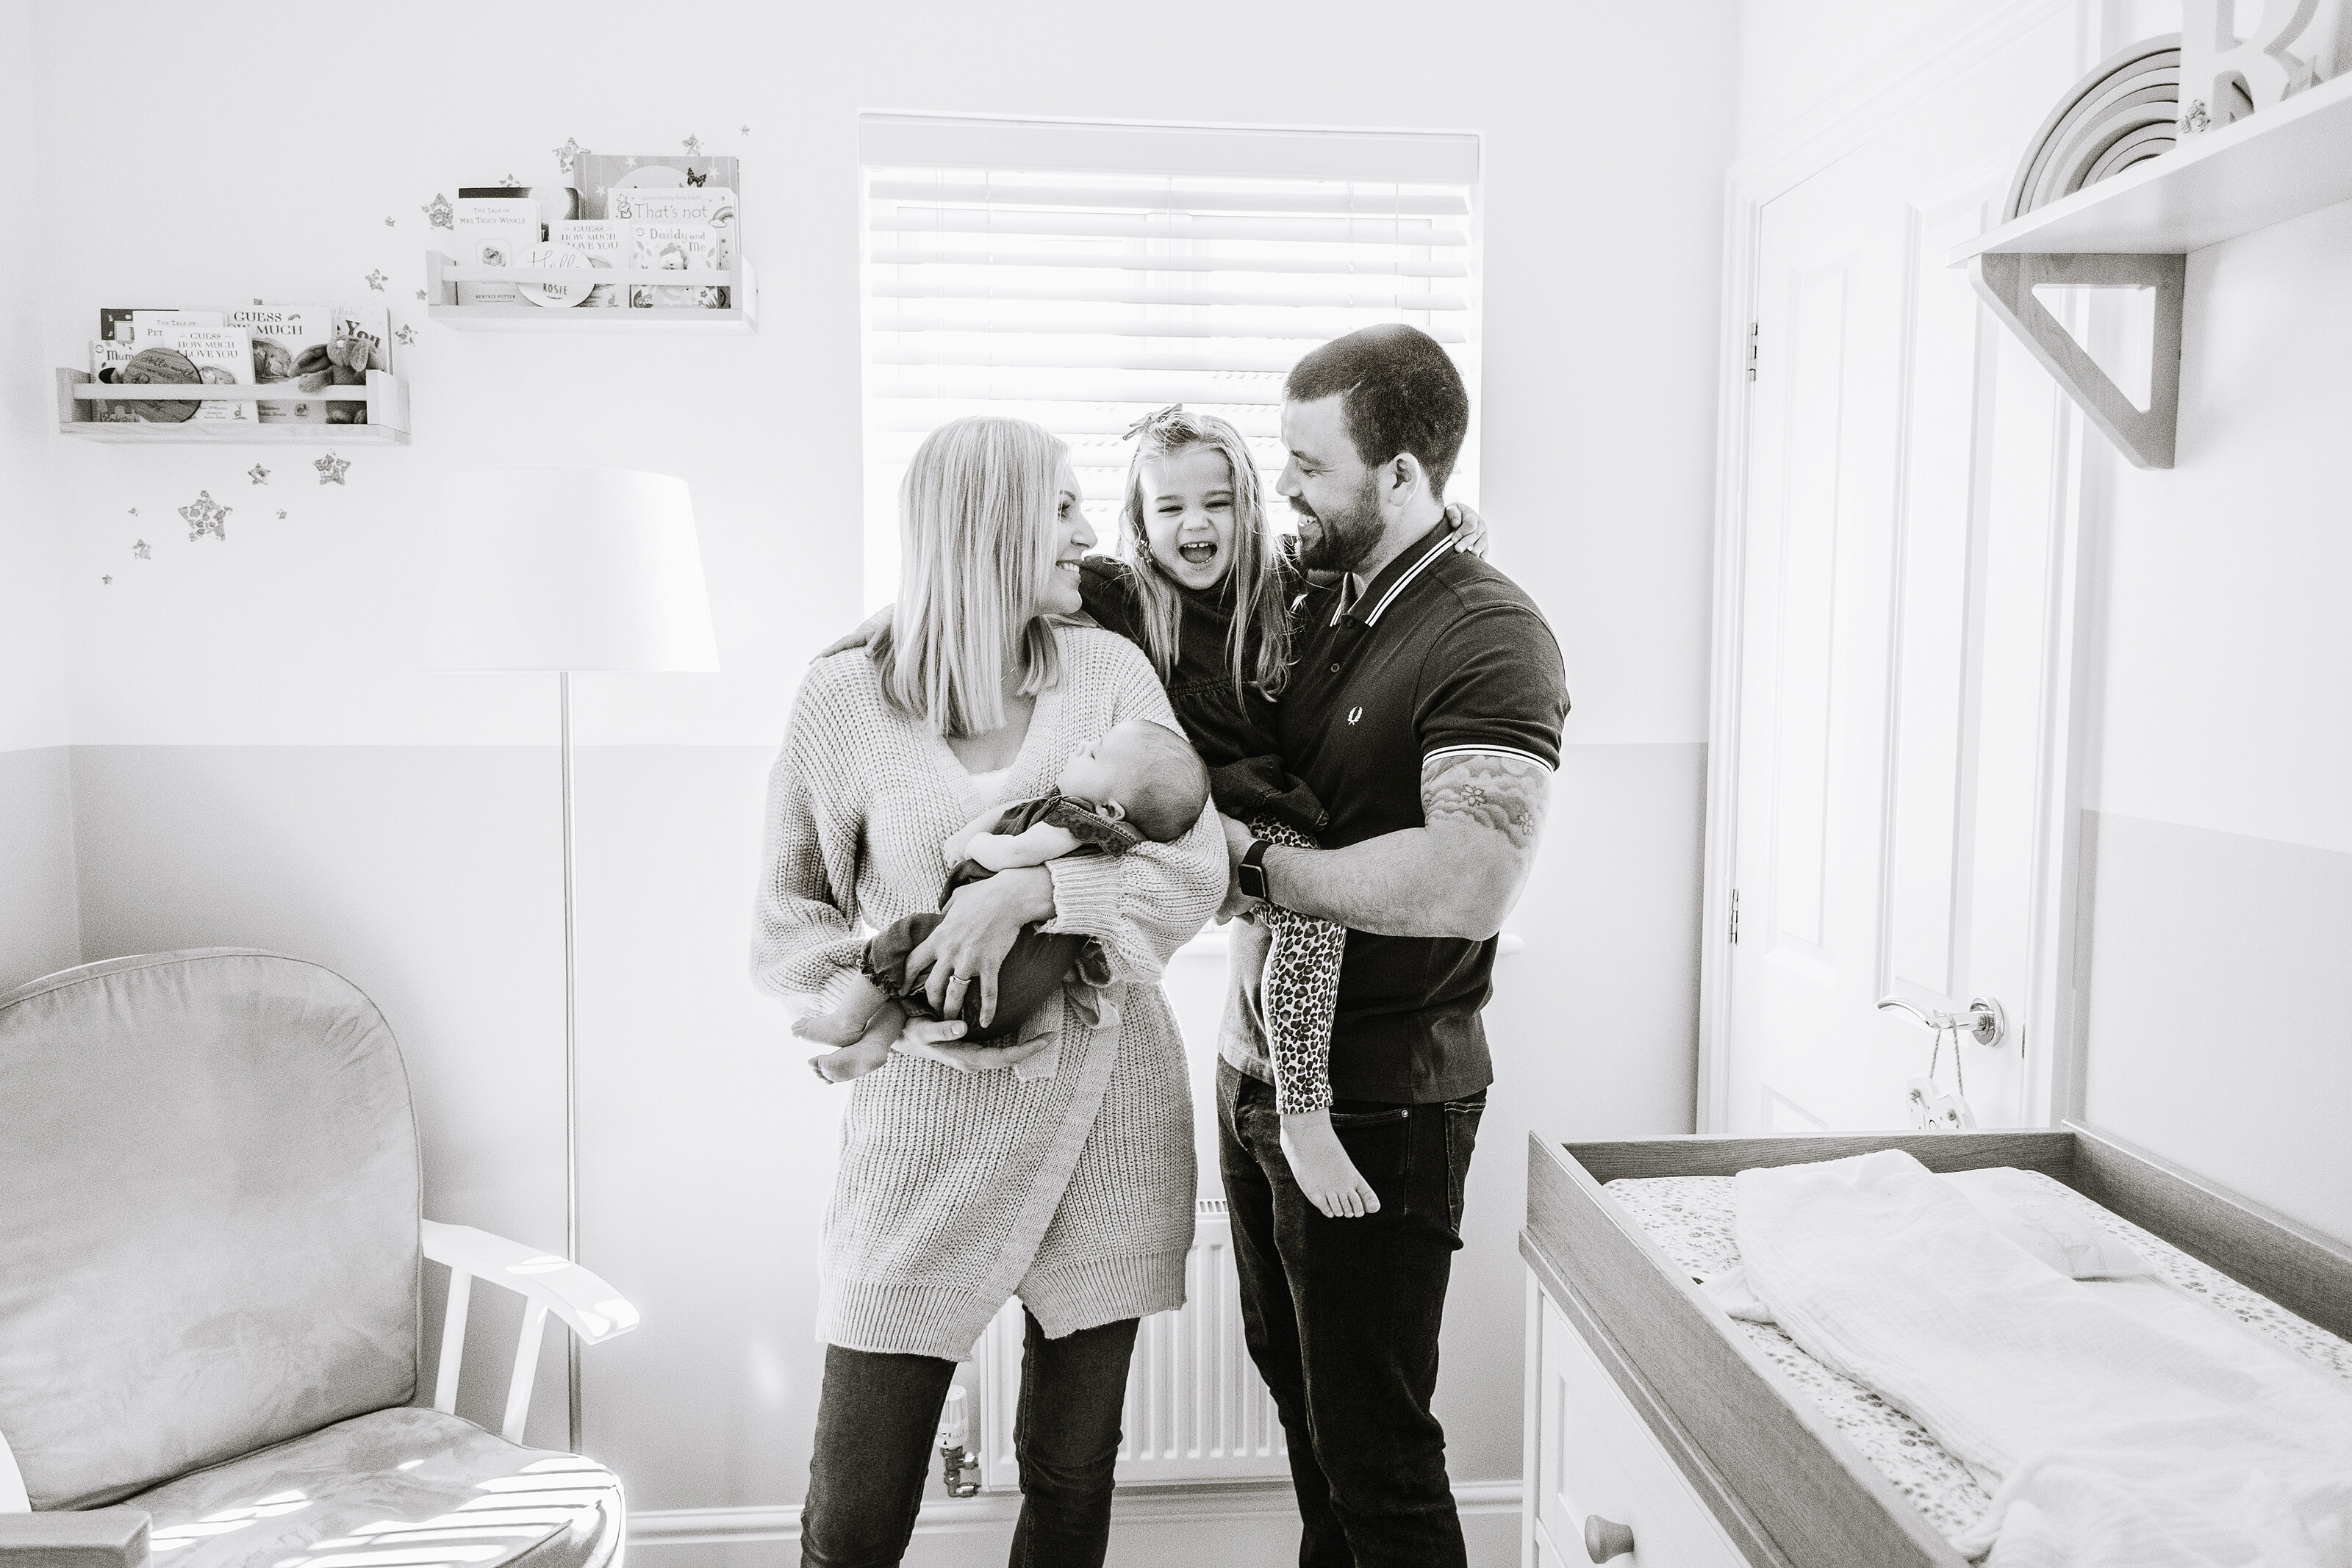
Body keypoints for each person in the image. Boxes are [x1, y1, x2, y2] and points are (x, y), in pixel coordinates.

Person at [750, 414, 1226, 1568]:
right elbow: (788, 920)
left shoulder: (1108, 671)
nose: (1086, 531)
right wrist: (900, 1014)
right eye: (1061, 506)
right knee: (855, 1509)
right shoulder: (844, 699)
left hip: (1106, 1113)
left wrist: (1032, 896)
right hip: (924, 1127)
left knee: (1071, 1477)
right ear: (993, 524)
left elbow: (1193, 865)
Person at [1216, 324, 1569, 1568]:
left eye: (1309, 464)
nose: (1289, 490)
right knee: (1309, 1418)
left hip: (1382, 1096)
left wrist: (1258, 868)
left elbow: (1469, 877)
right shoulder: (1327, 602)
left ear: (1404, 471)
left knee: (1376, 1445)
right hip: (1258, 1073)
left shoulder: (1487, 633)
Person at [794, 718, 1211, 1081]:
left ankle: (847, 1020)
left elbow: (1015, 852)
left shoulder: (1076, 826)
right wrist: (970, 832)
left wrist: (975, 844)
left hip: (997, 976)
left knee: (904, 940)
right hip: (996, 1002)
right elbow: (1016, 808)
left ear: (1113, 811)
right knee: (907, 996)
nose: (1084, 746)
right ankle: (874, 1045)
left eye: (1096, 756)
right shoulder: (1073, 814)